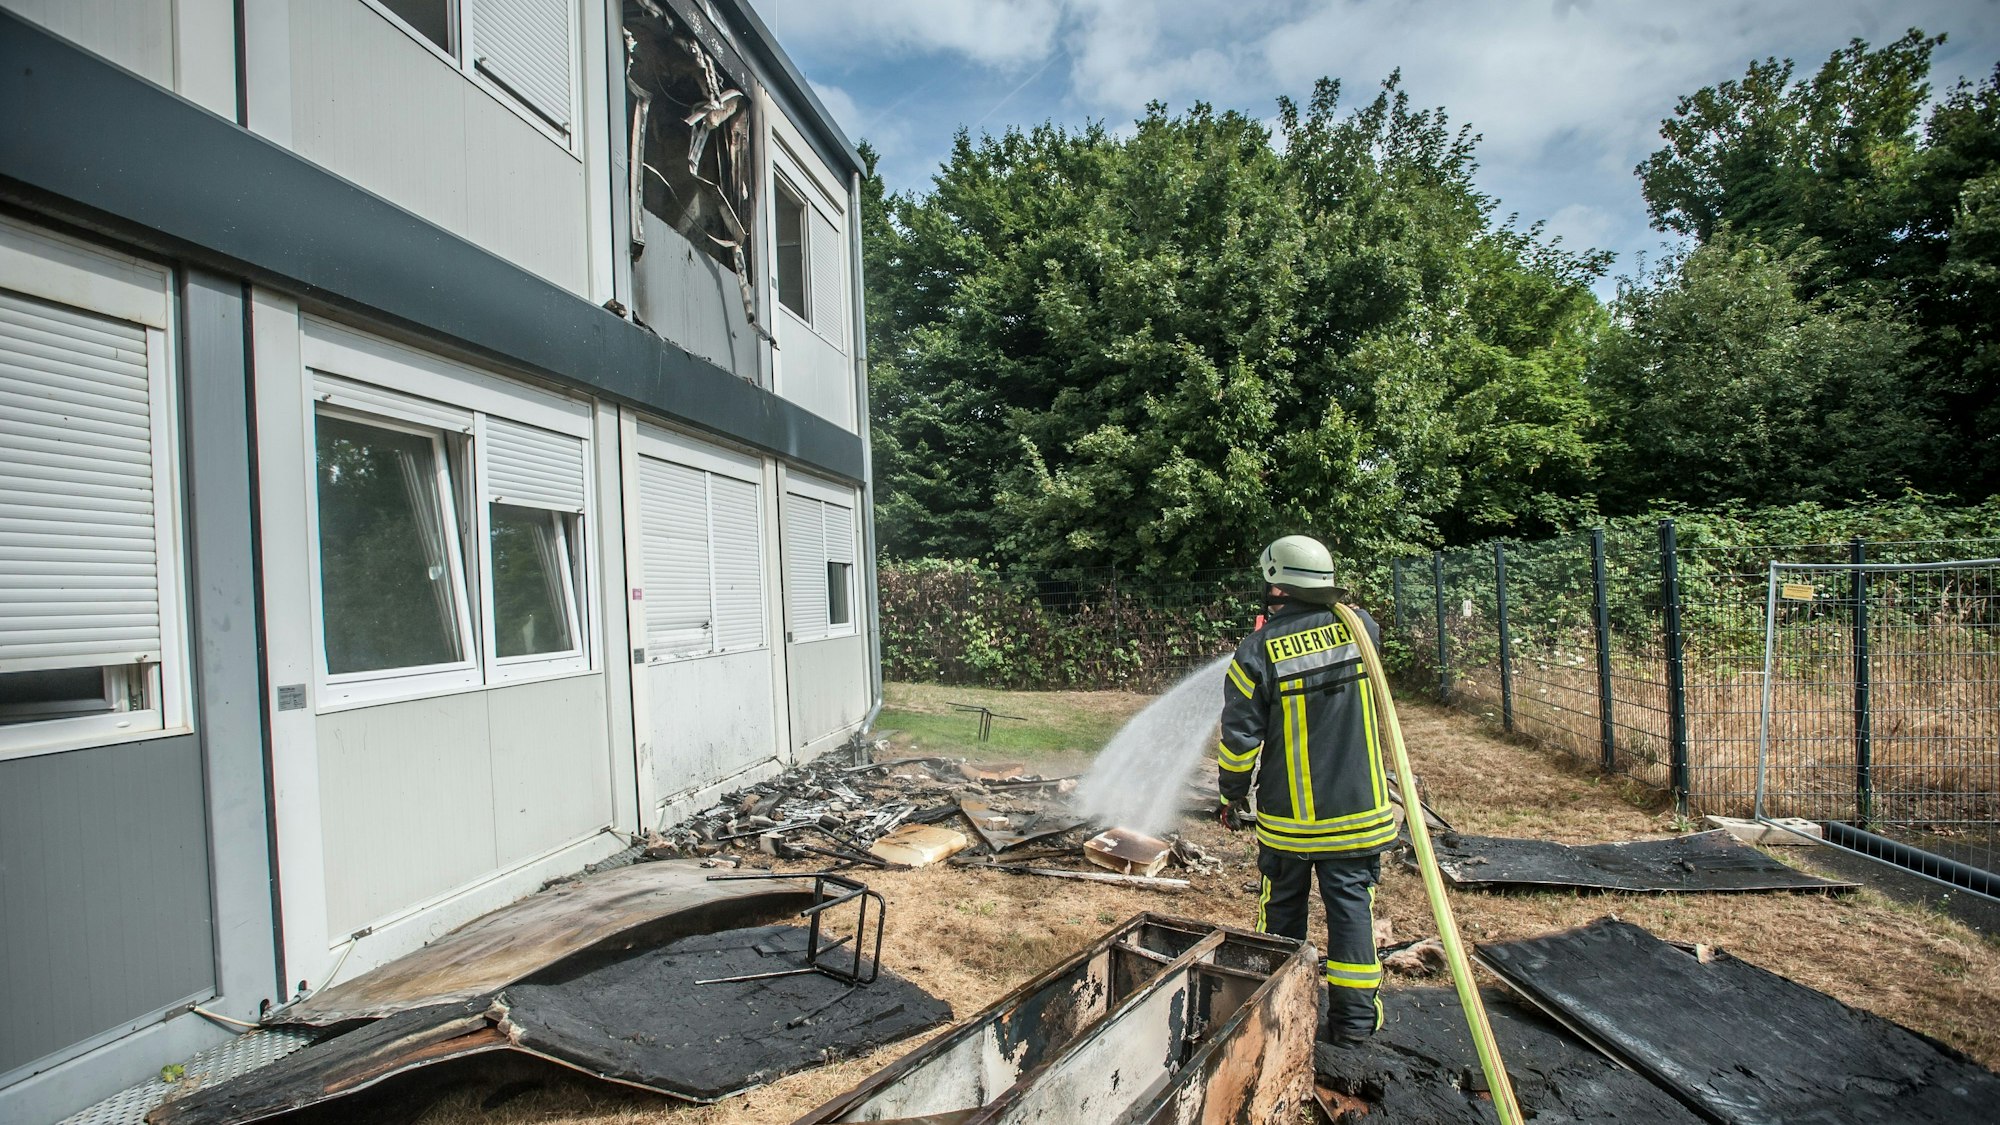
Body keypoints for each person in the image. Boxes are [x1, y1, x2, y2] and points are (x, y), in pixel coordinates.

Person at [1215, 534, 1393, 1046]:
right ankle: (1355, 1024)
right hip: (1359, 813)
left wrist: (1231, 794)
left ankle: (1278, 1016)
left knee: (1283, 910)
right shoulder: (1363, 630)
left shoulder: (1257, 650)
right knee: (1351, 910)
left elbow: (1240, 739)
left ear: (1276, 585)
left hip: (1289, 820)